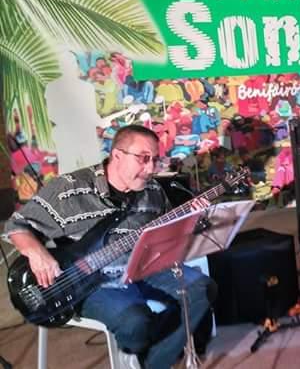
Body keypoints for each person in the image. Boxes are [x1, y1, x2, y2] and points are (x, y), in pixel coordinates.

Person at [3, 125, 216, 369]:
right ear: (117, 155)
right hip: (87, 281)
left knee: (202, 289)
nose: (150, 169)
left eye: (155, 160)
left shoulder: (153, 190)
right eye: (143, 158)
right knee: (136, 323)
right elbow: (16, 225)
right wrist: (36, 252)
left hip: (142, 266)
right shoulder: (69, 189)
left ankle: (154, 360)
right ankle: (151, 342)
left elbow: (164, 232)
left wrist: (189, 220)